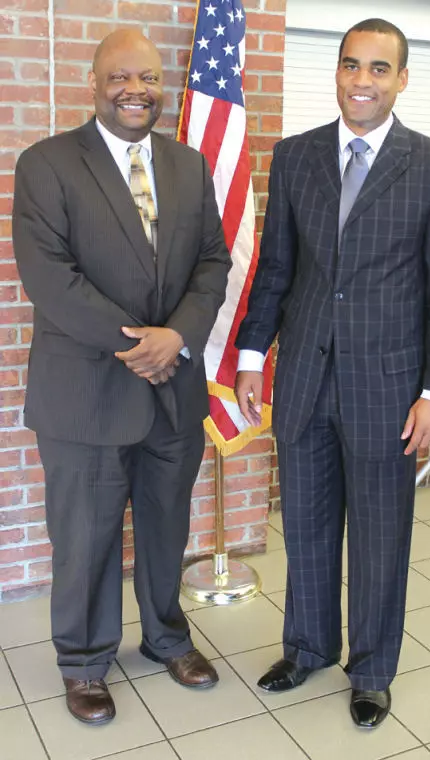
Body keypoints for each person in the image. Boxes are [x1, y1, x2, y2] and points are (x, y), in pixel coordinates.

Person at [235, 18, 430, 728]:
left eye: (378, 68)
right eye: (350, 65)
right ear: (335, 72)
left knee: (378, 538)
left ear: (402, 79)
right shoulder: (295, 156)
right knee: (305, 527)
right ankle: (306, 647)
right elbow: (276, 267)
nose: (361, 80)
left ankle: (370, 670)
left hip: (388, 390)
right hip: (303, 380)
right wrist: (252, 356)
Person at [12, 29, 231, 725]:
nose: (135, 90)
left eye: (148, 78)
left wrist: (179, 337)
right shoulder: (47, 164)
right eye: (119, 77)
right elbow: (50, 277)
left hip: (174, 392)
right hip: (86, 393)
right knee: (86, 538)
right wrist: (140, 346)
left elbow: (212, 262)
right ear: (94, 82)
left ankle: (167, 638)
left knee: (167, 527)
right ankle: (83, 660)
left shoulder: (190, 165)